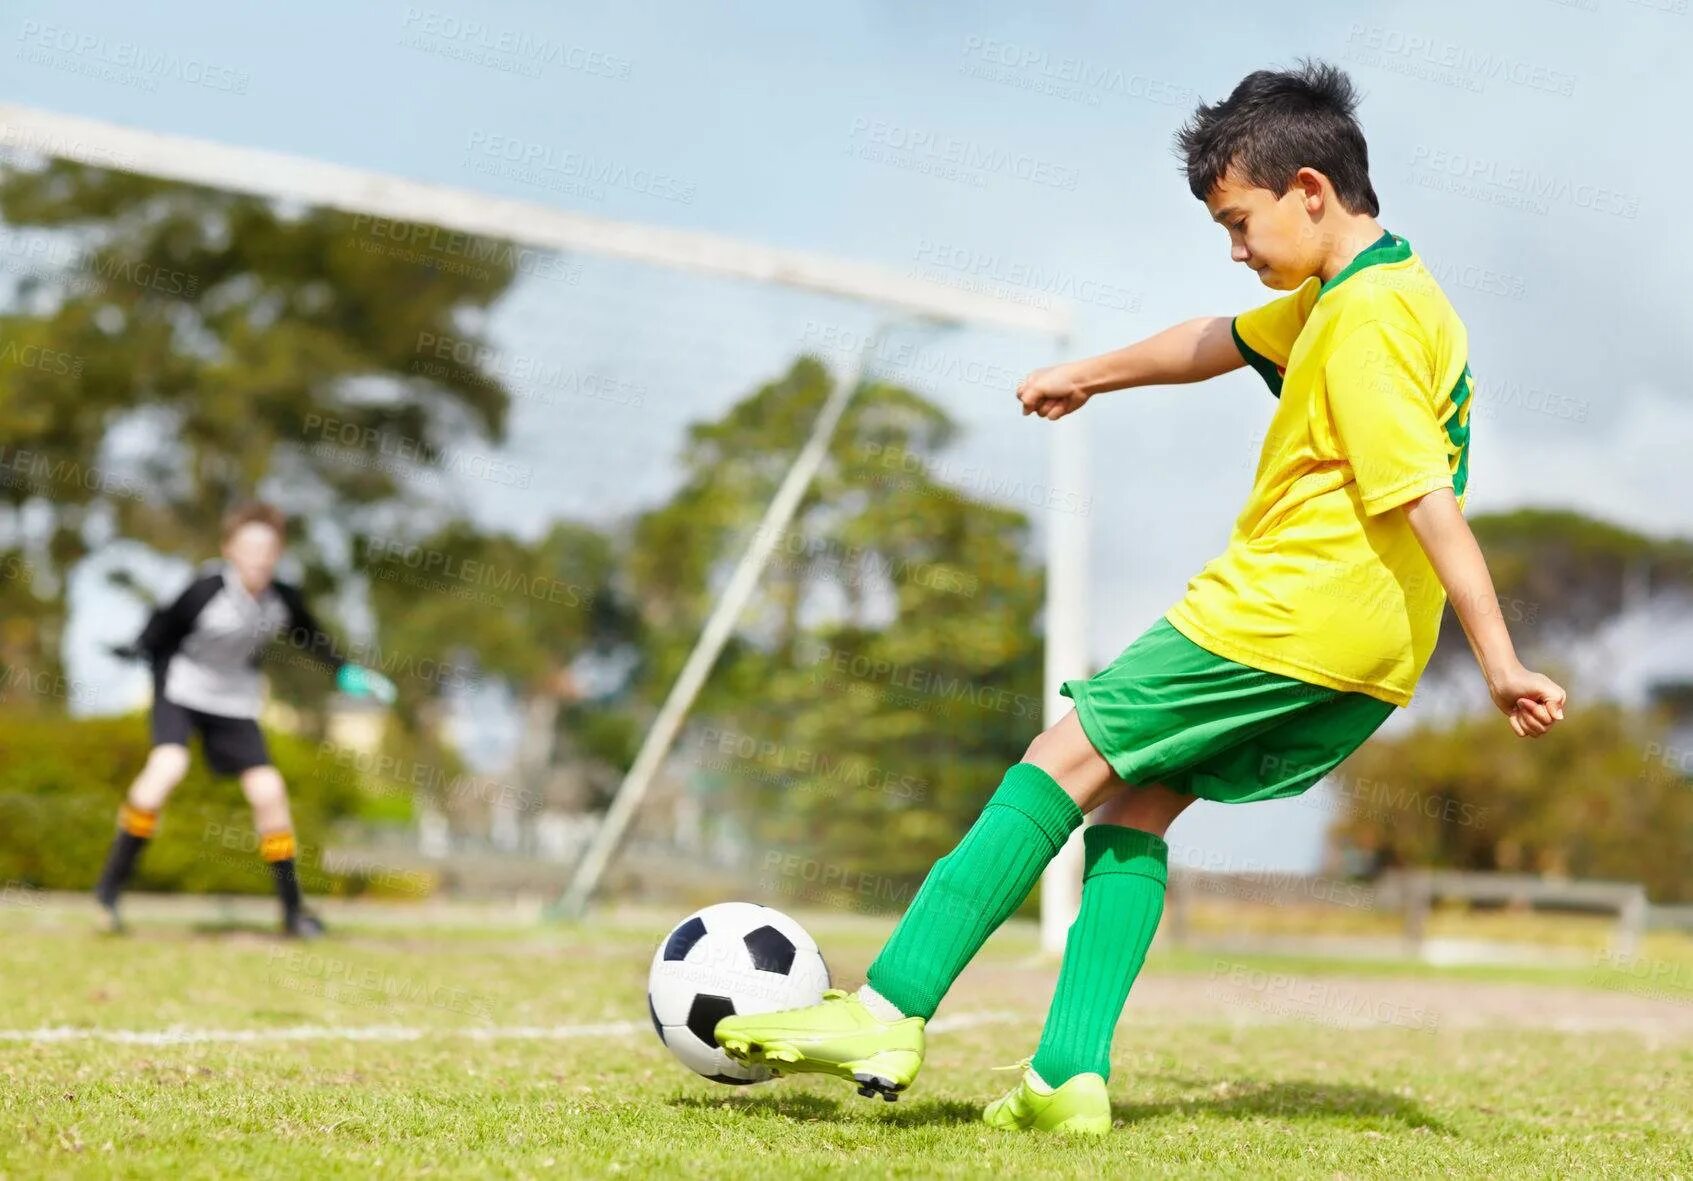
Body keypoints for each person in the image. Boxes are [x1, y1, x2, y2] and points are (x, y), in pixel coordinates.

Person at [713, 61, 1567, 1136]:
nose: (1237, 249)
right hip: (1367, 649)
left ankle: (888, 1005)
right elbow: (1213, 339)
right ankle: (1067, 1074)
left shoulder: (1364, 322)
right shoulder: (1379, 290)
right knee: (1135, 801)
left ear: (1310, 189)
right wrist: (1092, 372)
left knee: (1059, 758)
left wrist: (1499, 659)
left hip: (1282, 612)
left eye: (1240, 221)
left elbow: (1426, 498)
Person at [96, 501, 395, 938]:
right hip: (181, 691)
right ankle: (108, 892)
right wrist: (138, 647)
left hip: (234, 702)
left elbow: (313, 639)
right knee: (166, 769)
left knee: (269, 792)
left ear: (278, 553)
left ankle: (293, 913)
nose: (258, 559)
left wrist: (348, 673)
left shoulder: (282, 598)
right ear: (230, 550)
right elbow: (163, 626)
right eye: (249, 548)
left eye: (267, 550)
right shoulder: (207, 589)